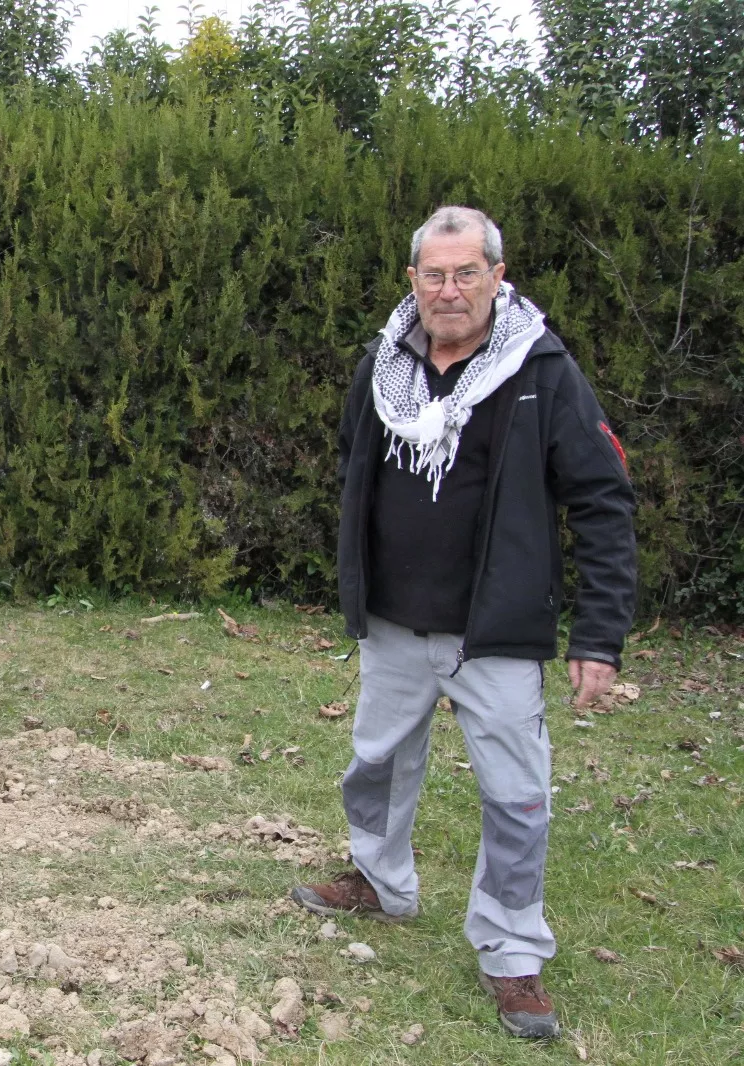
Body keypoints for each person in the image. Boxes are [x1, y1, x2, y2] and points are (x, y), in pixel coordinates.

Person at [292, 206, 637, 1039]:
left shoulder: (540, 368)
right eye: (435, 275)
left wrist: (598, 635)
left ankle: (512, 951)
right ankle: (381, 883)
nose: (450, 291)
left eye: (466, 273)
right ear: (413, 280)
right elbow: (353, 463)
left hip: (497, 633)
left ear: (496, 277)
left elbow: (602, 499)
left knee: (517, 797)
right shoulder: (383, 363)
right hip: (393, 623)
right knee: (375, 765)